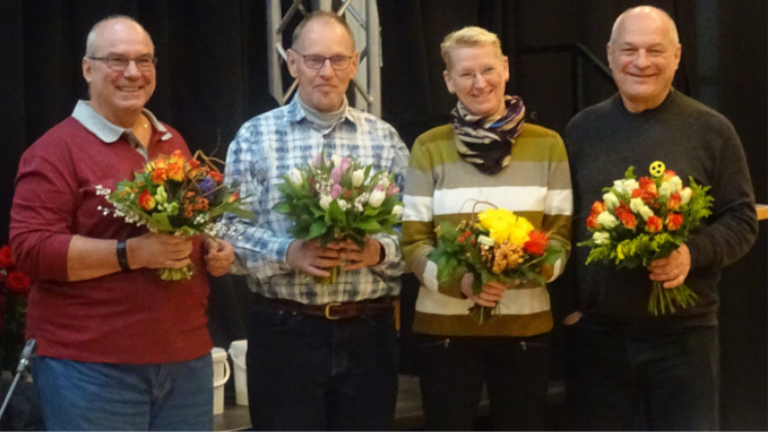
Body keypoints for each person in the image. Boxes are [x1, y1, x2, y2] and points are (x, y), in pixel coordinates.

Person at [9, 16, 235, 431]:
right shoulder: (55, 151)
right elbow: (32, 250)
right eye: (117, 60)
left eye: (144, 60)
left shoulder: (173, 141)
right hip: (92, 369)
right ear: (87, 68)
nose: (133, 72)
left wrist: (211, 248)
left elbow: (187, 225)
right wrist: (130, 254)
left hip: (186, 358)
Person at [564, 6, 758, 430]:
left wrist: (691, 252)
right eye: (629, 49)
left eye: (655, 50)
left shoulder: (712, 130)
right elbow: (562, 223)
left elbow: (742, 219)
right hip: (598, 339)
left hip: (683, 340)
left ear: (677, 56)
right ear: (611, 54)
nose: (641, 61)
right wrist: (570, 310)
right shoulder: (582, 129)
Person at [223, 11, 409, 431]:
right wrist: (289, 252)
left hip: (370, 332)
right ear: (292, 62)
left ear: (355, 62)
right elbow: (227, 232)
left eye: (339, 60)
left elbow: (415, 232)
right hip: (284, 331)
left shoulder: (384, 139)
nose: (327, 71)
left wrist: (379, 250)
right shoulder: (256, 136)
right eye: (314, 60)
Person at [401, 26, 572, 431]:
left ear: (506, 69)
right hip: (445, 333)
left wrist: (518, 269)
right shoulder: (429, 146)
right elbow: (412, 243)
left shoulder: (549, 145)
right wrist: (461, 282)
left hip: (525, 329)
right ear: (448, 80)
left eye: (488, 69)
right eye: (466, 74)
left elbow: (562, 238)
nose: (480, 83)